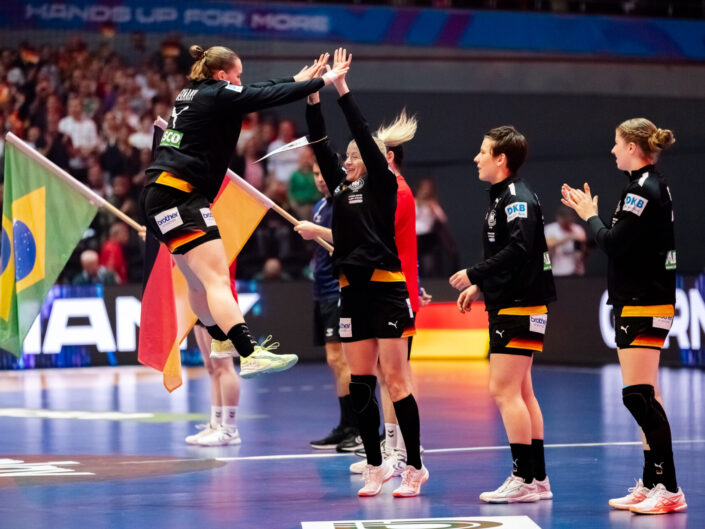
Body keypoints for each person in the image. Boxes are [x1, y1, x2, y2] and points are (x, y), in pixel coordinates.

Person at [140, 45, 348, 378]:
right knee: (217, 279)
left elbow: (256, 90)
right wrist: (323, 81)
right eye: (237, 75)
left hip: (159, 196)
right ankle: (250, 353)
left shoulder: (192, 93)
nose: (240, 81)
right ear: (222, 75)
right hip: (181, 196)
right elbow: (262, 96)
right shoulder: (217, 94)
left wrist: (296, 79)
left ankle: (221, 338)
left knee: (198, 283)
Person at [303, 48, 427, 497]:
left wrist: (341, 88)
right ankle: (375, 465)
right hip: (351, 292)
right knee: (360, 382)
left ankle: (413, 466)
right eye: (348, 158)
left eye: (356, 156)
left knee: (396, 380)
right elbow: (319, 143)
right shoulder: (341, 188)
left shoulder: (384, 184)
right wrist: (311, 96)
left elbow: (358, 129)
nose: (349, 161)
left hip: (387, 291)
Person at [561, 118, 687, 515]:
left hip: (644, 300)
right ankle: (652, 481)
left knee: (638, 396)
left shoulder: (644, 189)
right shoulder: (643, 186)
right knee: (645, 395)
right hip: (639, 299)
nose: (613, 150)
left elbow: (612, 243)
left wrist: (590, 215)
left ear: (632, 147)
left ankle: (668, 486)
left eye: (617, 144)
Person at [450, 125, 556, 503]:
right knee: (522, 391)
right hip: (516, 302)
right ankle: (537, 479)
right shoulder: (504, 197)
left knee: (504, 390)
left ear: (501, 159)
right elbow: (512, 255)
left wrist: (474, 273)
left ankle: (523, 478)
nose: (476, 158)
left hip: (519, 306)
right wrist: (481, 286)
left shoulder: (516, 199)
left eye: (483, 152)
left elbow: (519, 249)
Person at [295, 162, 359, 451]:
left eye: (324, 173)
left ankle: (355, 427)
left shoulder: (346, 202)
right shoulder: (321, 205)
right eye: (316, 174)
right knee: (334, 361)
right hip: (321, 290)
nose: (320, 179)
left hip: (338, 289)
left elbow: (351, 237)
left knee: (343, 360)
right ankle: (345, 425)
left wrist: (316, 230)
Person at [186, 262, 242, 447]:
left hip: (219, 301)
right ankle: (216, 424)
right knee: (211, 367)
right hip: (200, 299)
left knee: (223, 366)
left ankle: (230, 428)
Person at [544, 205, 588, 276]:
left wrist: (581, 243)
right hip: (556, 270)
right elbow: (546, 246)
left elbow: (583, 249)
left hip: (576, 270)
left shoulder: (578, 229)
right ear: (558, 218)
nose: (567, 222)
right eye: (564, 218)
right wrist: (566, 238)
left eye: (569, 218)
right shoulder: (550, 229)